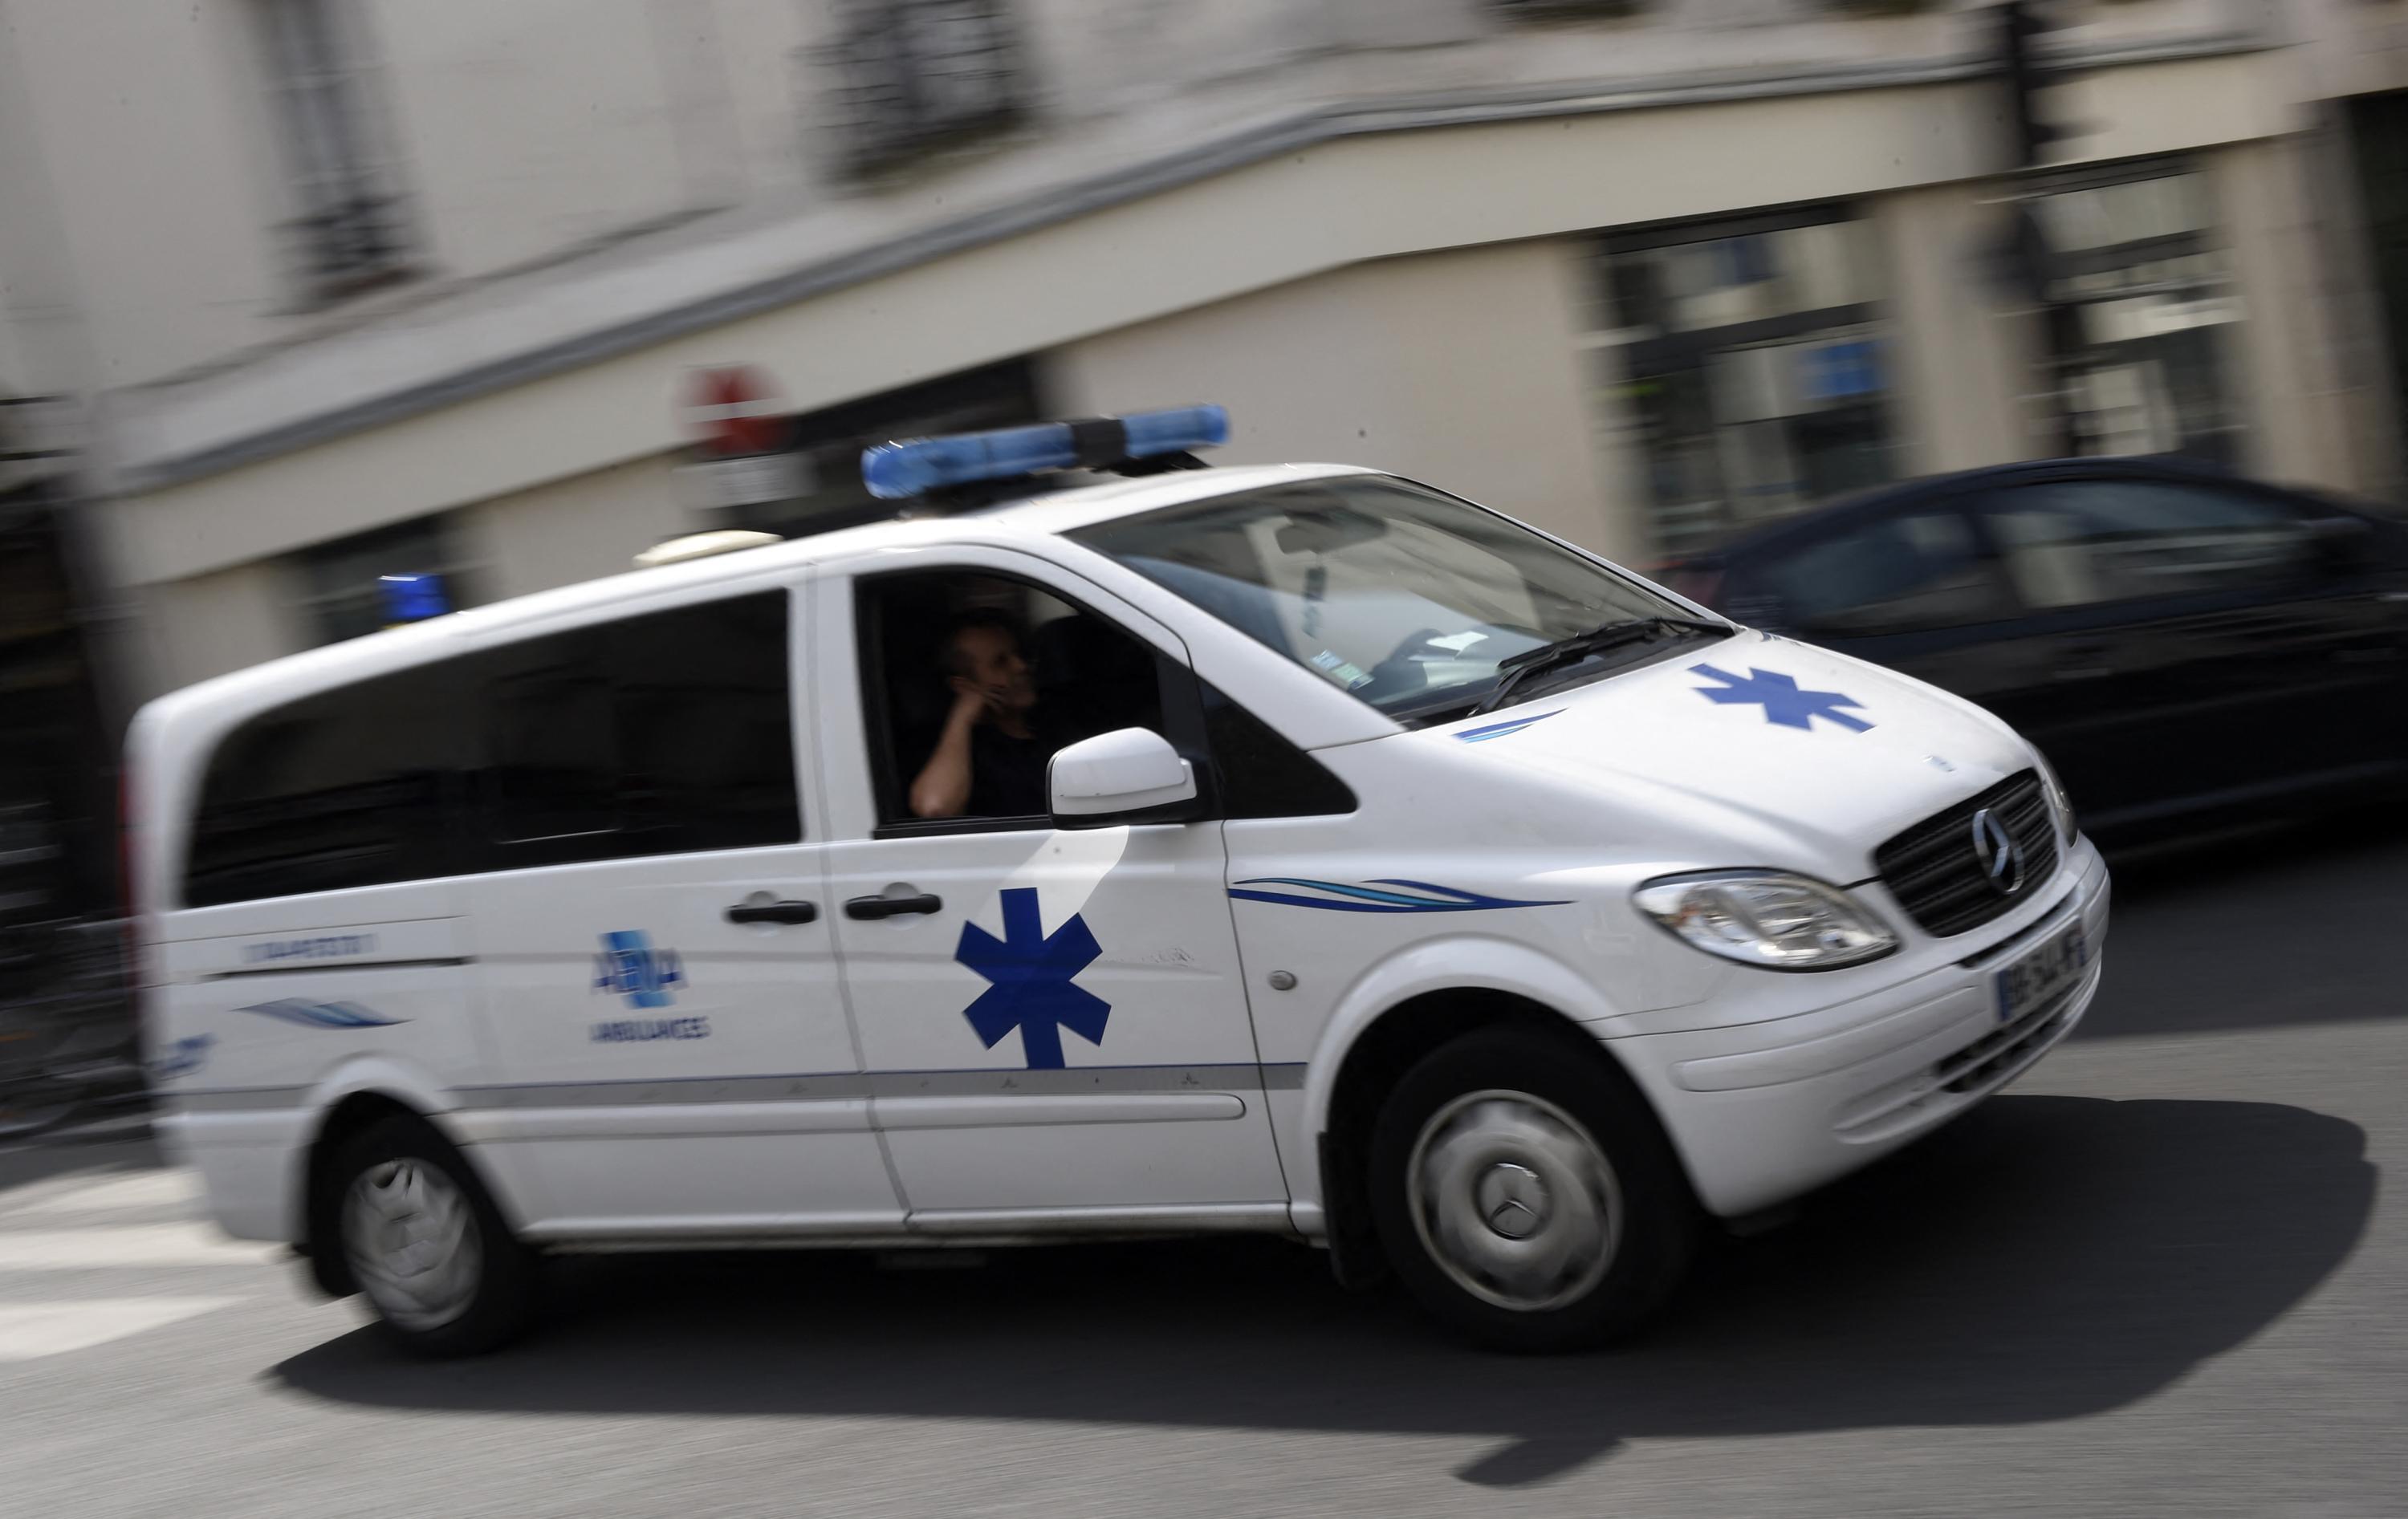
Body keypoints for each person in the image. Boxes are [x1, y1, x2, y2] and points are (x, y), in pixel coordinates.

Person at [909, 609, 1056, 819]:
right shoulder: (965, 751)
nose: (1021, 666)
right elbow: (935, 807)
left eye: (1018, 654)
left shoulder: (1059, 722)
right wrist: (962, 717)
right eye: (1000, 661)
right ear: (964, 686)